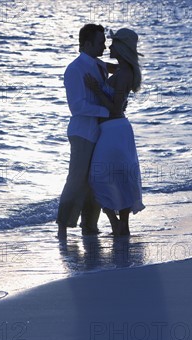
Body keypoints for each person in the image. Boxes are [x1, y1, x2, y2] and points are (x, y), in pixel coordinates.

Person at [84, 28, 145, 236]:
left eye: (113, 44)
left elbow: (115, 108)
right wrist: (89, 60)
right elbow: (102, 65)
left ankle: (116, 224)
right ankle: (121, 226)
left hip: (113, 130)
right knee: (119, 177)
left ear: (121, 48)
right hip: (115, 130)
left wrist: (96, 89)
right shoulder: (121, 70)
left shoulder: (124, 74)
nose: (109, 47)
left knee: (98, 177)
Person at [56, 24, 111, 240]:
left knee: (95, 179)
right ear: (87, 44)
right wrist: (105, 111)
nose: (104, 46)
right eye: (100, 42)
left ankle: (89, 225)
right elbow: (76, 107)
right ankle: (62, 225)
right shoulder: (75, 69)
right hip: (82, 133)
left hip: (100, 132)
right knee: (77, 179)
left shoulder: (100, 66)